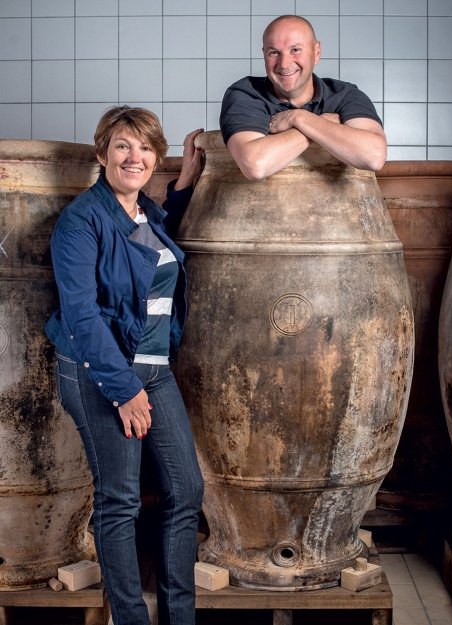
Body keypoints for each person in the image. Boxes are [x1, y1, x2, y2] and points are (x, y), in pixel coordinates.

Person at [46, 106, 206, 625]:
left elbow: (159, 238)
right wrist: (123, 390)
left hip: (154, 368)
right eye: (122, 146)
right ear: (102, 154)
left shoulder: (146, 214)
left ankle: (179, 618)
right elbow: (81, 316)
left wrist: (186, 180)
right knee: (120, 501)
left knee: (187, 492)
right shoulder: (81, 220)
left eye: (144, 148)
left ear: (155, 157)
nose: (133, 157)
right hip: (100, 373)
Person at [219, 14, 387, 180]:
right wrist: (324, 124)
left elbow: (374, 156)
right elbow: (255, 165)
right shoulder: (246, 94)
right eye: (274, 52)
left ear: (316, 52)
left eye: (295, 50)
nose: (284, 64)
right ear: (264, 55)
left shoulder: (345, 94)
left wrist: (299, 118)